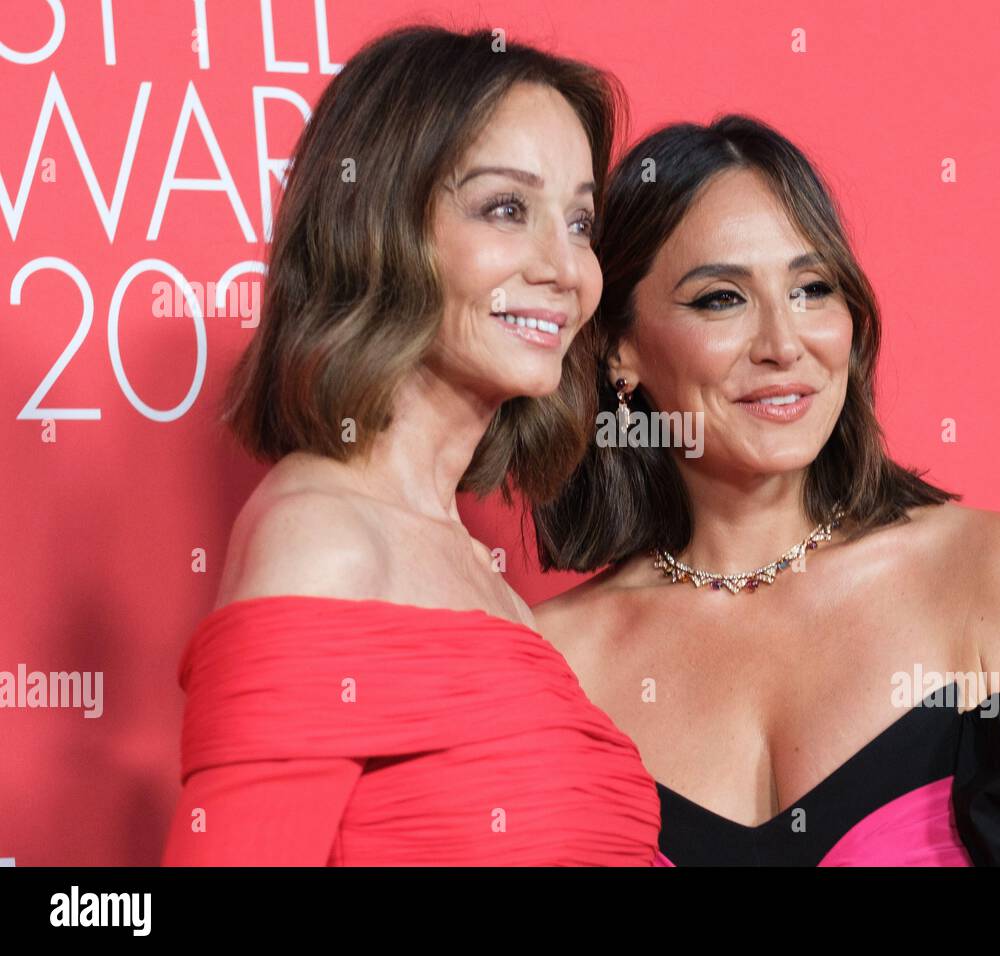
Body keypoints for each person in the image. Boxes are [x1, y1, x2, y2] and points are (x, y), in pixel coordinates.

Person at [530, 115, 1000, 866]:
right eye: (721, 298)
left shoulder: (997, 581)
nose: (784, 344)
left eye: (812, 288)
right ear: (618, 350)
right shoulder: (556, 664)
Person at [162, 25, 659, 866]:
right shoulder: (324, 539)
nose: (565, 268)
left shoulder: (472, 568)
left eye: (579, 222)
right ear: (380, 223)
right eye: (507, 209)